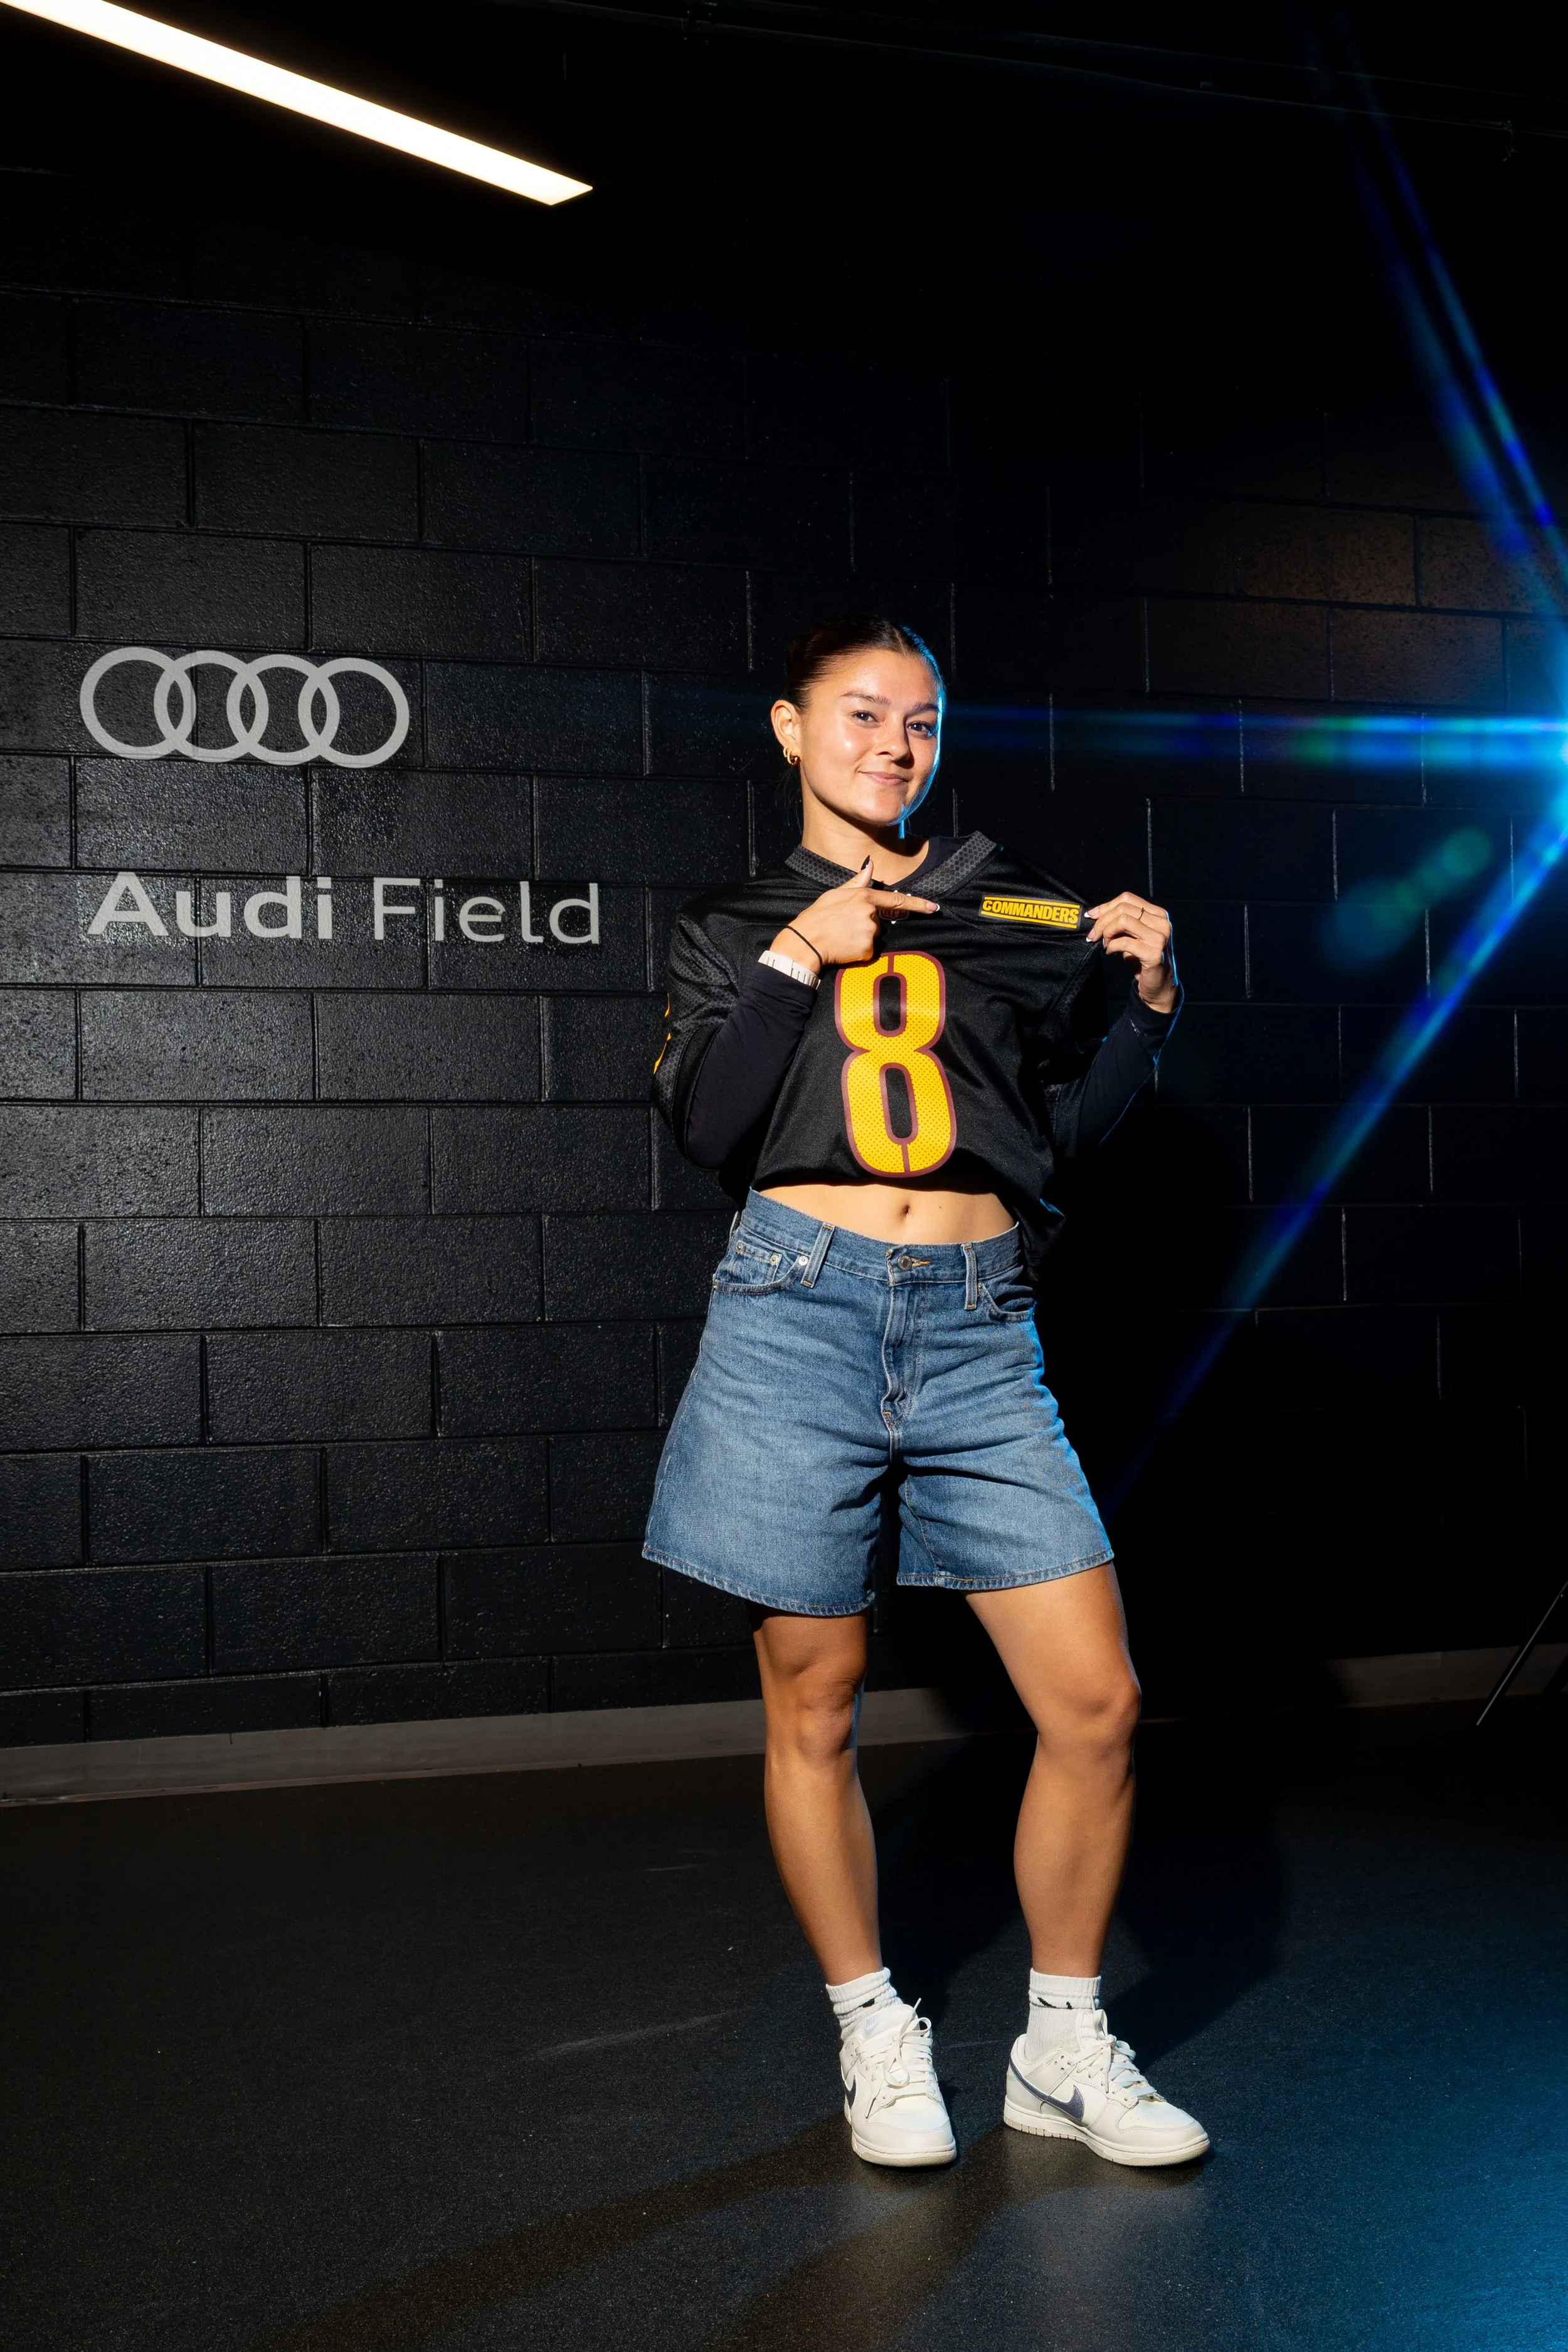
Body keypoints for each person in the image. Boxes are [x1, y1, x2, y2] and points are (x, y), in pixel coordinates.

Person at [645, 614, 1207, 2171]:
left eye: (921, 720)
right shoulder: (727, 919)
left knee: (1094, 1699)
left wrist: (1142, 1013)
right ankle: (870, 2030)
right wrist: (792, 957)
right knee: (813, 1697)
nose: (893, 743)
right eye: (861, 713)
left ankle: (1060, 2044)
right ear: (788, 727)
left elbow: (1061, 1142)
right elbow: (710, 1128)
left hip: (975, 1324)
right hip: (794, 1316)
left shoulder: (1007, 909)